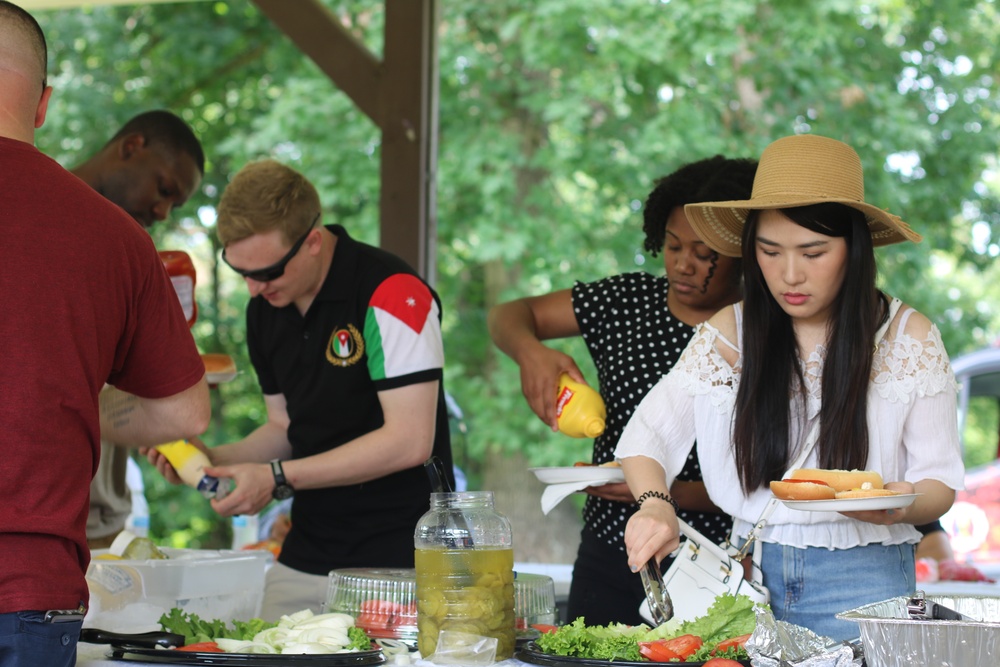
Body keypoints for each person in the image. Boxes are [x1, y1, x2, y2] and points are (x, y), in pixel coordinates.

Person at [616, 134, 964, 641]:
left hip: (867, 583)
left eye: (813, 252)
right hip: (750, 580)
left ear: (854, 248)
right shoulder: (730, 334)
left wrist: (902, 504)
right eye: (770, 251)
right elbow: (647, 436)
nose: (790, 275)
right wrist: (654, 503)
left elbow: (940, 483)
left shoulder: (906, 338)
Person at [147, 159, 454, 620]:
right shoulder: (266, 309)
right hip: (310, 546)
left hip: (404, 555)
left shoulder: (392, 292)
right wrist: (217, 458)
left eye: (267, 272)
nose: (252, 289)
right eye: (240, 270)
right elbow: (285, 427)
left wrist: (274, 478)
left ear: (313, 241)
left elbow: (410, 441)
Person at [0, 3, 211, 665]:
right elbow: (185, 410)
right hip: (33, 586)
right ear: (43, 105)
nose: (160, 208)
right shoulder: (117, 241)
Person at [488, 156, 757, 625]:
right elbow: (508, 315)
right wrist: (530, 353)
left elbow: (773, 484)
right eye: (672, 245)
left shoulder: (759, 332)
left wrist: (659, 492)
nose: (682, 263)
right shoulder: (626, 302)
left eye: (704, 252)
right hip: (610, 552)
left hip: (711, 562)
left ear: (745, 252)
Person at [72, 110, 206, 550]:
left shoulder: (133, 251)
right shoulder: (43, 219)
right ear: (132, 147)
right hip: (34, 522)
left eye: (175, 204)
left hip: (104, 522)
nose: (163, 210)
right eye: (164, 188)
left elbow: (170, 396)